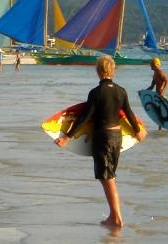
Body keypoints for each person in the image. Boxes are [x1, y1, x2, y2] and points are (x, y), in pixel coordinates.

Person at [54, 55, 147, 228]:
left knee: (107, 178)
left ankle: (117, 218)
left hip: (102, 137)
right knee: (109, 176)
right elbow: (129, 114)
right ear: (112, 70)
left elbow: (84, 118)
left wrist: (67, 137)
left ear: (98, 71)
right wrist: (138, 131)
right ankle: (113, 216)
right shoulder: (121, 91)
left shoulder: (96, 93)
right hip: (117, 137)